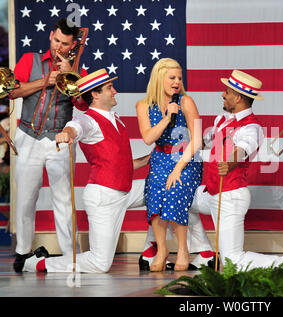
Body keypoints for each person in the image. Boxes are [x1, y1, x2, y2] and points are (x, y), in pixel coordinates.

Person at [15, 68, 151, 273]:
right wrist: (67, 133)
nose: (115, 91)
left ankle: (152, 249)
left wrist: (151, 159)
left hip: (126, 190)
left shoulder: (116, 119)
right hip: (104, 196)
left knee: (166, 190)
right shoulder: (89, 120)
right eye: (109, 88)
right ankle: (34, 263)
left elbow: (122, 164)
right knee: (100, 264)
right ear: (95, 95)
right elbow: (76, 125)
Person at [187, 70, 283, 271]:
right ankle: (205, 252)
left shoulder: (251, 127)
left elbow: (242, 150)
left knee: (233, 261)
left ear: (237, 97)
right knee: (179, 200)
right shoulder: (222, 119)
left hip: (230, 196)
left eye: (226, 91)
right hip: (211, 192)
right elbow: (204, 141)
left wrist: (229, 163)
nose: (222, 94)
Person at [10, 18, 89, 271]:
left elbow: (84, 106)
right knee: (25, 198)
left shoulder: (79, 70)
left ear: (73, 45)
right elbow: (13, 91)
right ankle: (23, 251)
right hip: (29, 136)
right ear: (51, 36)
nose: (58, 47)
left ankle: (70, 255)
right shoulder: (29, 60)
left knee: (64, 199)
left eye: (64, 44)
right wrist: (48, 81)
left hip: (59, 140)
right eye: (56, 40)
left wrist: (70, 77)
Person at [135, 58, 203, 271]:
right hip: (159, 157)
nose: (176, 82)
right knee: (154, 196)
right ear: (159, 79)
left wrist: (178, 168)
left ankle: (183, 250)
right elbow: (148, 138)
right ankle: (162, 249)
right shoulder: (144, 105)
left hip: (185, 158)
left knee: (174, 191)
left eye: (179, 78)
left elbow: (198, 139)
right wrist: (166, 118)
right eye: (172, 77)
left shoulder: (187, 102)